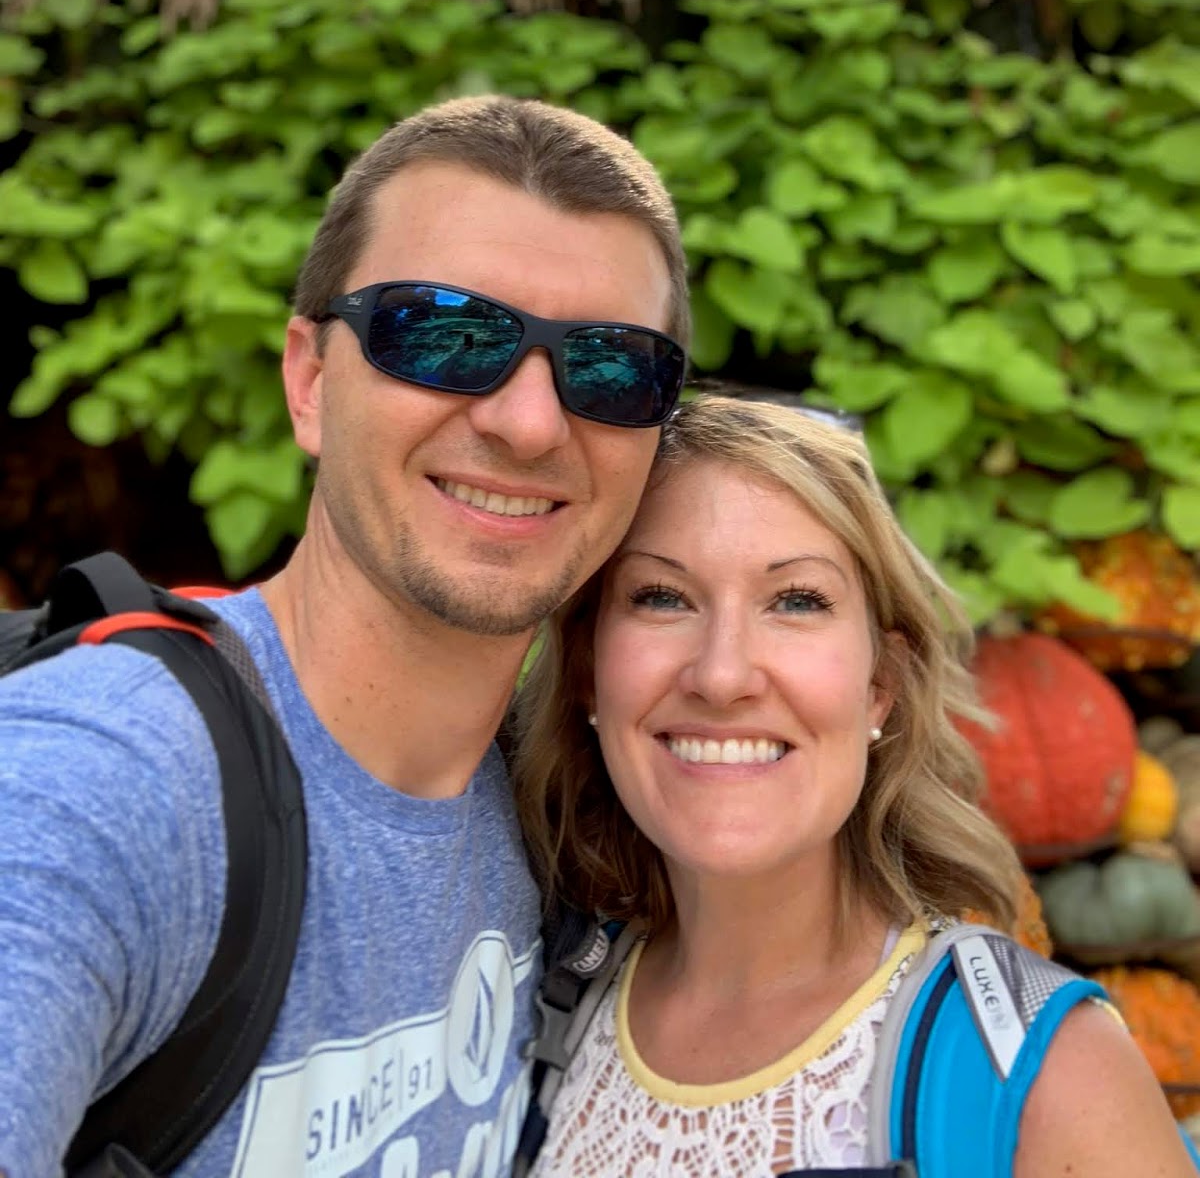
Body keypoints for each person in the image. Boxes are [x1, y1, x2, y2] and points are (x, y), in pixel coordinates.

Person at [0, 95, 688, 1177]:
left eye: (611, 366)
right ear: (311, 381)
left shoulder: (573, 815)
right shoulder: (101, 783)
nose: (528, 422)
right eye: (444, 335)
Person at [512, 395, 1196, 1176]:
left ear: (880, 685)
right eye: (661, 597)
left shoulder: (1047, 1074)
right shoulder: (536, 1006)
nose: (722, 674)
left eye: (796, 600)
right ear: (590, 674)